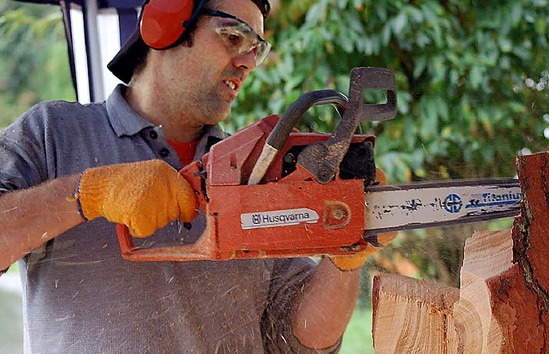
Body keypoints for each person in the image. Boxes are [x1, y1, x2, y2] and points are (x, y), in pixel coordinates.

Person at [0, 0, 393, 352]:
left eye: (256, 48)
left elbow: (302, 338)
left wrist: (345, 257)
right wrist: (86, 195)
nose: (248, 62)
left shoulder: (255, 167)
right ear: (166, 24)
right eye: (233, 37)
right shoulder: (53, 133)